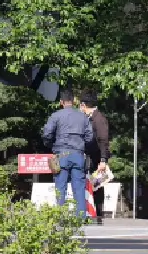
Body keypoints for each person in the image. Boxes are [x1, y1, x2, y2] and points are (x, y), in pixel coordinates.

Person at [40, 93, 94, 218]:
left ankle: (61, 216)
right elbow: (90, 137)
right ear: (73, 101)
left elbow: (47, 134)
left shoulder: (56, 116)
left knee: (60, 185)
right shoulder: (83, 117)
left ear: (61, 102)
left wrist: (50, 145)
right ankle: (81, 217)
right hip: (78, 154)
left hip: (61, 154)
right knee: (79, 187)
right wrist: (81, 145)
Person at [77, 93, 111, 222]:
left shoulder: (99, 118)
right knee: (90, 184)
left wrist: (103, 160)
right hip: (90, 156)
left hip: (97, 158)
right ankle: (90, 213)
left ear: (84, 105)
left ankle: (98, 214)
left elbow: (103, 140)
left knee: (97, 185)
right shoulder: (89, 118)